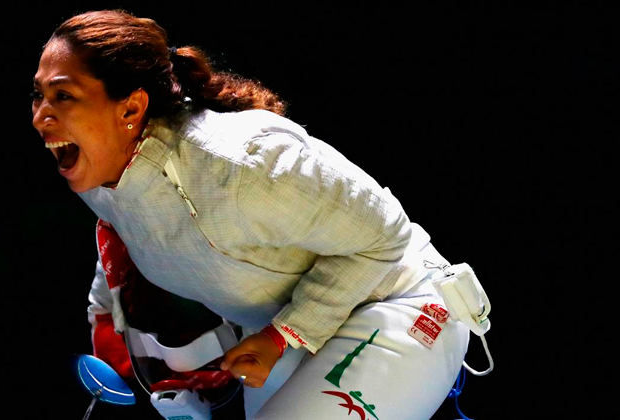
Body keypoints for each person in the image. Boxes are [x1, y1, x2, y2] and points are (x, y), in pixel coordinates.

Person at [31, 10, 471, 420]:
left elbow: (385, 237)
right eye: (39, 95)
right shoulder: (100, 170)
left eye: (63, 96)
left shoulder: (240, 166)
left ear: (130, 108)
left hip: (399, 301)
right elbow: (123, 228)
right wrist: (107, 319)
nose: (39, 117)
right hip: (288, 329)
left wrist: (282, 336)